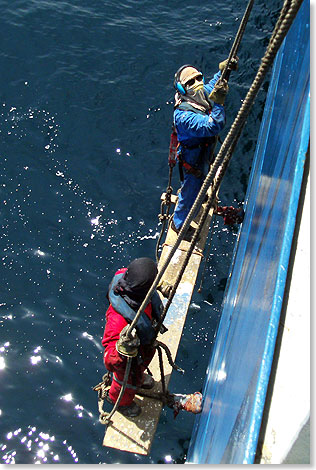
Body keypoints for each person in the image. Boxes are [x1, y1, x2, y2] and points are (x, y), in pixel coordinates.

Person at [171, 58, 238, 237]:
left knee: (200, 182)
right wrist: (219, 103)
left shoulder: (199, 94)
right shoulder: (183, 115)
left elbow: (213, 86)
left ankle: (198, 197)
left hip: (203, 152)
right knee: (190, 189)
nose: (197, 83)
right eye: (190, 82)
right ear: (182, 89)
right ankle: (179, 224)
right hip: (192, 158)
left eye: (198, 78)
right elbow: (212, 125)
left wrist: (224, 71)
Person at [102, 257, 164, 418]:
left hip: (141, 352)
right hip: (126, 363)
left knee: (138, 372)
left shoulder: (134, 284)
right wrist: (122, 350)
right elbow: (109, 360)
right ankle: (120, 402)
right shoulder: (118, 321)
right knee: (127, 384)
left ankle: (139, 377)